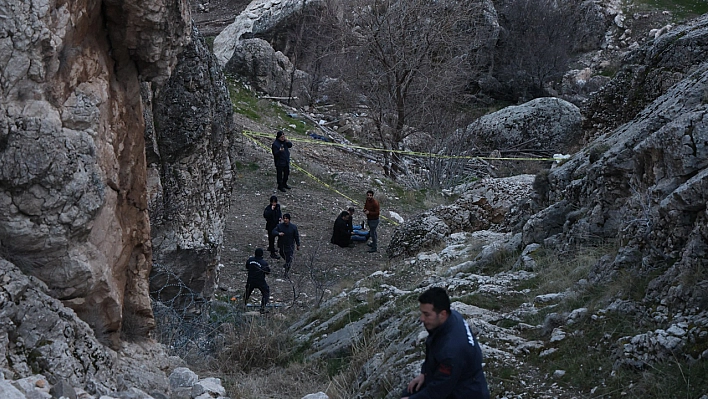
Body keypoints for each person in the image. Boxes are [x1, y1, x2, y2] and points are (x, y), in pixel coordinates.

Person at [401, 287, 489, 399]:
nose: (422, 318)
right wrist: (425, 373)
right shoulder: (452, 317)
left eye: (427, 314)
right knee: (410, 391)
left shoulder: (451, 351)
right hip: (455, 380)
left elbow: (439, 391)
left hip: (464, 393)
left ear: (442, 314)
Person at [271, 213, 300, 277]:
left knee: (289, 260)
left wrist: (298, 244)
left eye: (286, 218)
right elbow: (273, 232)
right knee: (282, 254)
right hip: (282, 245)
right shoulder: (280, 226)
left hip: (290, 246)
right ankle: (286, 262)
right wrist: (278, 233)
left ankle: (286, 273)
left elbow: (296, 236)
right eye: (284, 218)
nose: (285, 220)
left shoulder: (293, 227)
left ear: (289, 219)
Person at [244, 248, 271, 314]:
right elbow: (268, 272)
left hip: (250, 280)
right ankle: (262, 308)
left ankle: (243, 306)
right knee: (266, 292)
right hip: (260, 281)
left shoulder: (250, 260)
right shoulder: (264, 263)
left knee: (247, 293)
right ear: (262, 254)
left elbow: (247, 267)